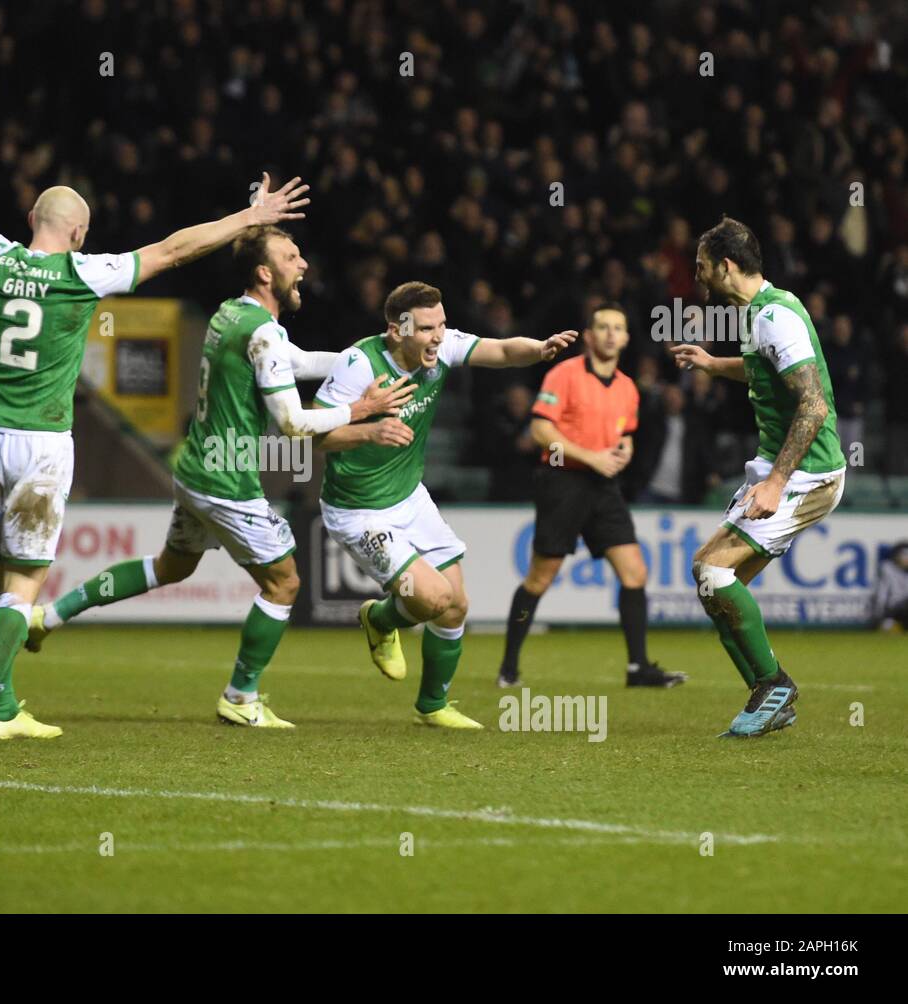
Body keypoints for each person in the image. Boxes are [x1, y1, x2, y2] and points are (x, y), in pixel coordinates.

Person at [0, 69, 310, 739]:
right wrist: (251, 217)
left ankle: (5, 708)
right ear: (78, 234)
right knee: (27, 583)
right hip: (40, 442)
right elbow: (176, 249)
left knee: (0, 580)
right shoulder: (81, 274)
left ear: (32, 222)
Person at [27, 227, 413, 727]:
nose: (304, 266)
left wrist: (358, 360)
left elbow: (293, 362)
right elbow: (292, 423)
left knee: (170, 568)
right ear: (264, 272)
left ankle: (47, 617)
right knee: (285, 584)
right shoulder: (262, 332)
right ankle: (240, 696)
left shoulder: (233, 313)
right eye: (291, 257)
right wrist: (361, 409)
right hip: (226, 482)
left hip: (195, 469)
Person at [313, 281, 576, 728]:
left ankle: (432, 705)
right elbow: (313, 434)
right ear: (397, 331)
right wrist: (369, 429)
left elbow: (502, 351)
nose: (438, 335)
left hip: (410, 497)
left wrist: (540, 348)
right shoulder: (358, 365)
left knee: (456, 605)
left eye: (443, 325)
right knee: (433, 599)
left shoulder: (441, 349)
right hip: (358, 510)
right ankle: (379, 618)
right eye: (427, 328)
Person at [672, 216, 845, 738]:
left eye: (701, 267)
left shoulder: (774, 317)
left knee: (714, 572)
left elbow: (812, 405)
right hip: (780, 467)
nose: (697, 277)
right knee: (713, 584)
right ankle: (770, 693)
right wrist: (712, 364)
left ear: (725, 266)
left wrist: (773, 485)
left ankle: (774, 687)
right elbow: (763, 369)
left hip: (805, 474)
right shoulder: (760, 314)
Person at [497, 304, 685, 688]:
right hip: (562, 481)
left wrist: (624, 451)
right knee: (539, 579)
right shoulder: (564, 375)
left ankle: (638, 669)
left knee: (635, 571)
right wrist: (591, 457)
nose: (611, 333)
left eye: (618, 327)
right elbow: (540, 433)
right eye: (603, 327)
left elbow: (626, 434)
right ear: (589, 335)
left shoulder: (627, 388)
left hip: (603, 486)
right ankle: (509, 669)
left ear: (627, 338)